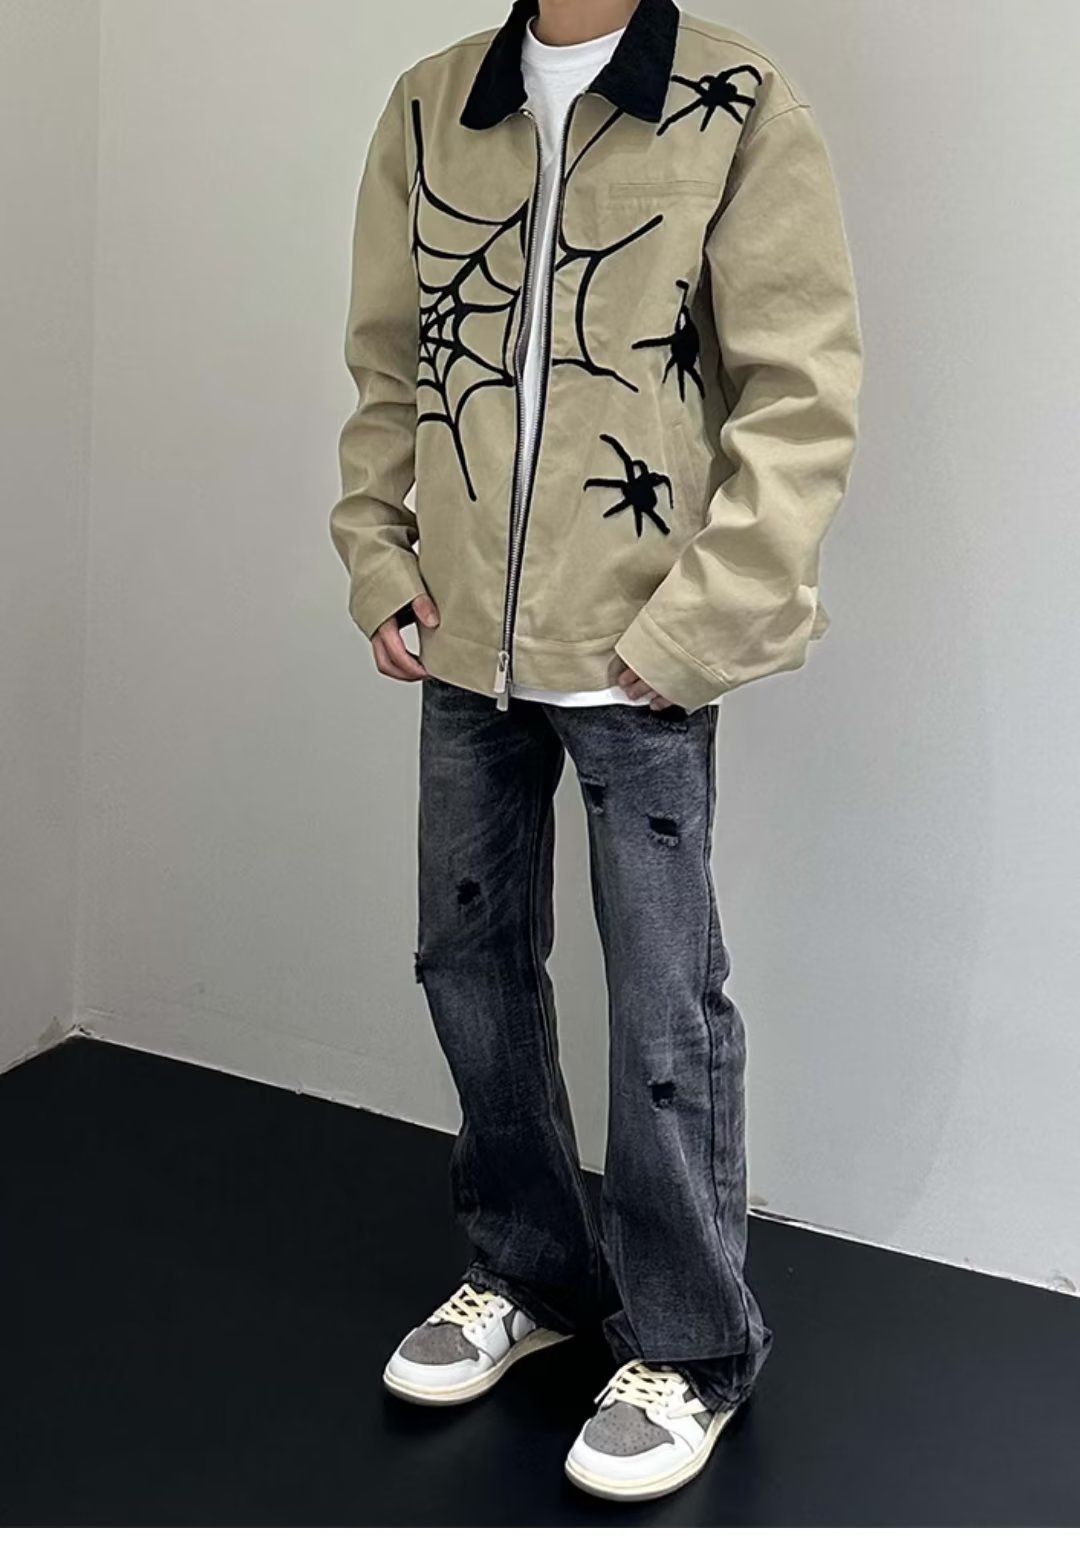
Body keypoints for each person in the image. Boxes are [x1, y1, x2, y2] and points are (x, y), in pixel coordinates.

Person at [330, 0, 861, 1503]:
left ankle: (692, 1342)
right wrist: (380, 556)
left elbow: (801, 394)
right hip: (463, 643)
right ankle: (530, 1270)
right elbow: (392, 361)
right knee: (466, 961)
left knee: (663, 998)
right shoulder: (433, 104)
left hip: (640, 650)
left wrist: (703, 622)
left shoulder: (738, 104)